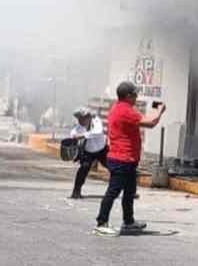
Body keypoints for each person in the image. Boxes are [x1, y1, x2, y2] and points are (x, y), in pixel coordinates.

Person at [93, 82, 165, 236]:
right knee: (113, 191)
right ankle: (101, 222)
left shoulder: (118, 108)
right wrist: (160, 111)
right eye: (134, 95)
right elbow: (151, 123)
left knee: (129, 192)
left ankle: (129, 221)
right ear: (128, 96)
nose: (136, 97)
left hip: (127, 159)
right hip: (122, 159)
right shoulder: (126, 111)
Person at [69, 108, 109, 199]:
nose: (80, 120)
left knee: (114, 167)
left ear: (88, 117)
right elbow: (73, 133)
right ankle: (76, 191)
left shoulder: (96, 120)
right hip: (88, 152)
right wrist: (74, 136)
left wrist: (82, 136)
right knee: (83, 169)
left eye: (82, 118)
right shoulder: (79, 125)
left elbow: (97, 132)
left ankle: (129, 190)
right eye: (79, 118)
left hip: (102, 150)